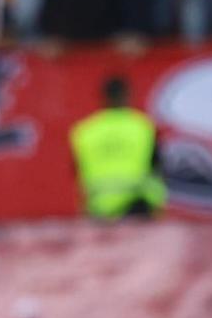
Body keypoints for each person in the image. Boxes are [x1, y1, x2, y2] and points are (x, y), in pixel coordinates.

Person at [70, 76, 165, 220]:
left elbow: (77, 171)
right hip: (138, 208)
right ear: (128, 95)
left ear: (103, 97)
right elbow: (157, 168)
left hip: (98, 209)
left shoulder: (85, 131)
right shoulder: (143, 127)